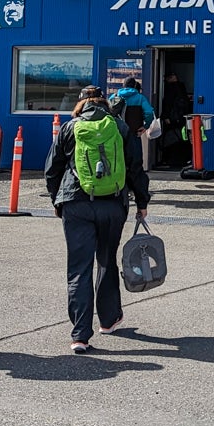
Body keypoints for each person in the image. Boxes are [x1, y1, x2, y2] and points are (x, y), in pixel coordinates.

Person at [45, 86, 150, 352]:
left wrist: (57, 200)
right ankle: (109, 319)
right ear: (104, 102)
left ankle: (80, 335)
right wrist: (142, 201)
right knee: (106, 260)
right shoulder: (120, 127)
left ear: (80, 104)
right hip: (113, 205)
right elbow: (135, 167)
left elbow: (51, 169)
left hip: (76, 204)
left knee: (79, 268)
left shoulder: (70, 128)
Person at [157, 71, 191, 168]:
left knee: (170, 138)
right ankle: (181, 159)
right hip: (181, 119)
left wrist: (166, 116)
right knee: (181, 138)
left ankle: (170, 160)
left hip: (172, 119)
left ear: (172, 78)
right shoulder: (182, 88)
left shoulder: (171, 89)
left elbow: (168, 103)